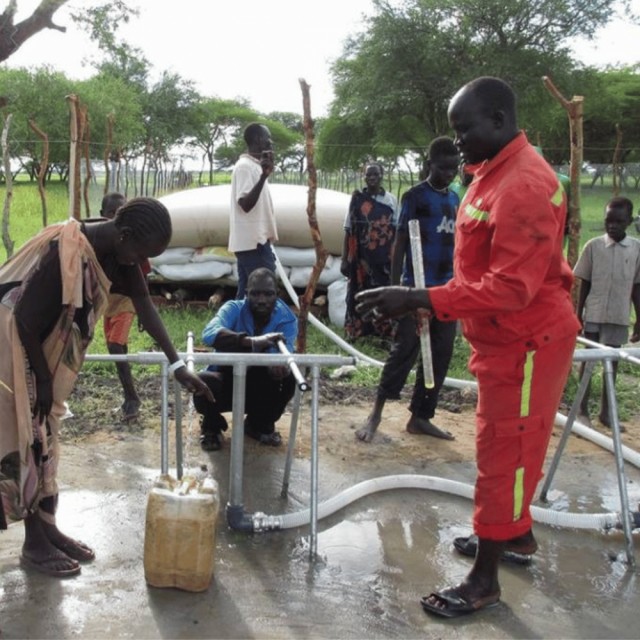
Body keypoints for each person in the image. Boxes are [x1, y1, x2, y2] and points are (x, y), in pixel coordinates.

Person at [356, 76, 580, 618]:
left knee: (504, 451)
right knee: (510, 446)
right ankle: (514, 537)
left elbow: (510, 288)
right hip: (504, 340)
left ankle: (484, 580)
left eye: (465, 131)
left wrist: (415, 296)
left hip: (526, 342)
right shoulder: (490, 173)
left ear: (500, 121)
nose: (457, 144)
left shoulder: (523, 185)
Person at [0, 197, 214, 578]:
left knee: (46, 436)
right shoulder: (65, 254)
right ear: (125, 234)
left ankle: (47, 529)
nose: (141, 263)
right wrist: (44, 382)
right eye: (142, 254)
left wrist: (178, 365)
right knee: (29, 439)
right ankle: (33, 545)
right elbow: (25, 322)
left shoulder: (118, 252)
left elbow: (145, 306)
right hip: (13, 350)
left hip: (38, 352)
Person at [355, 137, 460, 443]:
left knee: (439, 356)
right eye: (443, 168)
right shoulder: (414, 196)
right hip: (415, 290)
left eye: (454, 168)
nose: (450, 173)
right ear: (429, 165)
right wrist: (398, 286)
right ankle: (375, 412)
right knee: (404, 352)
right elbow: (401, 241)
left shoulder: (454, 199)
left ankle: (421, 417)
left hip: (446, 290)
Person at [193, 268, 297, 451]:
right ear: (246, 293)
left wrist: (278, 366)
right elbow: (209, 333)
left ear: (277, 295)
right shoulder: (233, 308)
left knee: (290, 379)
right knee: (202, 381)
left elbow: (283, 352)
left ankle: (259, 424)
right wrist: (251, 342)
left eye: (268, 294)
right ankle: (212, 425)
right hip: (227, 379)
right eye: (255, 294)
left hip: (261, 385)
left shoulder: (287, 319)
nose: (262, 300)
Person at [574, 196, 640, 429]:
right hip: (595, 312)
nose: (612, 226)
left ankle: (607, 411)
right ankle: (581, 410)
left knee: (612, 363)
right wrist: (578, 314)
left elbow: (636, 287)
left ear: (629, 222)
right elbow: (585, 283)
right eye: (608, 221)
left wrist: (639, 320)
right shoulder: (593, 246)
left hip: (619, 314)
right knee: (588, 361)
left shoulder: (636, 249)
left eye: (618, 222)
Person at [340, 162, 398, 340]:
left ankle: (383, 332)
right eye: (368, 175)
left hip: (383, 259)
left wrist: (396, 258)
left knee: (383, 293)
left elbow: (396, 231)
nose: (372, 178)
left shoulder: (390, 200)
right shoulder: (357, 200)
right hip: (361, 259)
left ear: (382, 176)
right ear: (364, 177)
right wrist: (344, 259)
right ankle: (358, 331)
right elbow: (348, 229)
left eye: (375, 174)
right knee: (359, 294)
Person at [100, 192, 144, 422]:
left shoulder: (130, 243)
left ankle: (132, 397)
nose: (116, 219)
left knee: (116, 347)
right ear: (102, 216)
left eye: (121, 214)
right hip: (108, 303)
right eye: (111, 214)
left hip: (126, 302)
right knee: (116, 349)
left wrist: (143, 314)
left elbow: (143, 278)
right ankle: (129, 395)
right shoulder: (101, 243)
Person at [228, 123, 278, 300]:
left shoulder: (254, 166)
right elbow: (245, 204)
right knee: (264, 291)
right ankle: (259, 328)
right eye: (268, 138)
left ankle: (234, 326)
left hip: (254, 242)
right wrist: (263, 177)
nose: (271, 143)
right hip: (252, 244)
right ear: (258, 139)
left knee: (245, 295)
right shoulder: (244, 167)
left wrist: (264, 174)